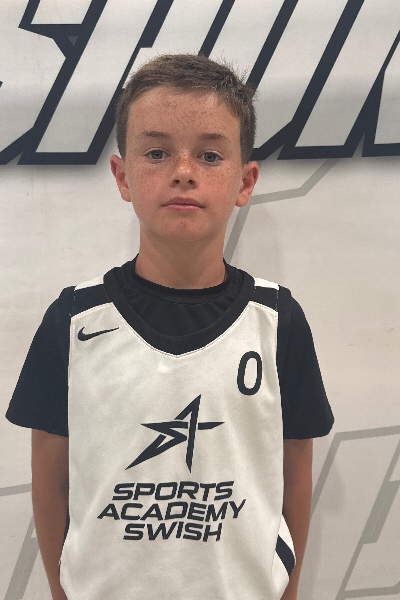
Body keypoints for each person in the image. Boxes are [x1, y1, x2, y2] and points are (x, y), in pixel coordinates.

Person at [6, 53, 334, 600]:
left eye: (210, 155)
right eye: (157, 153)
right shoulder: (74, 319)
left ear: (245, 181)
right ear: (123, 176)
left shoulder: (277, 321)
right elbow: (51, 473)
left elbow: (295, 467)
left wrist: (288, 589)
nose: (183, 171)